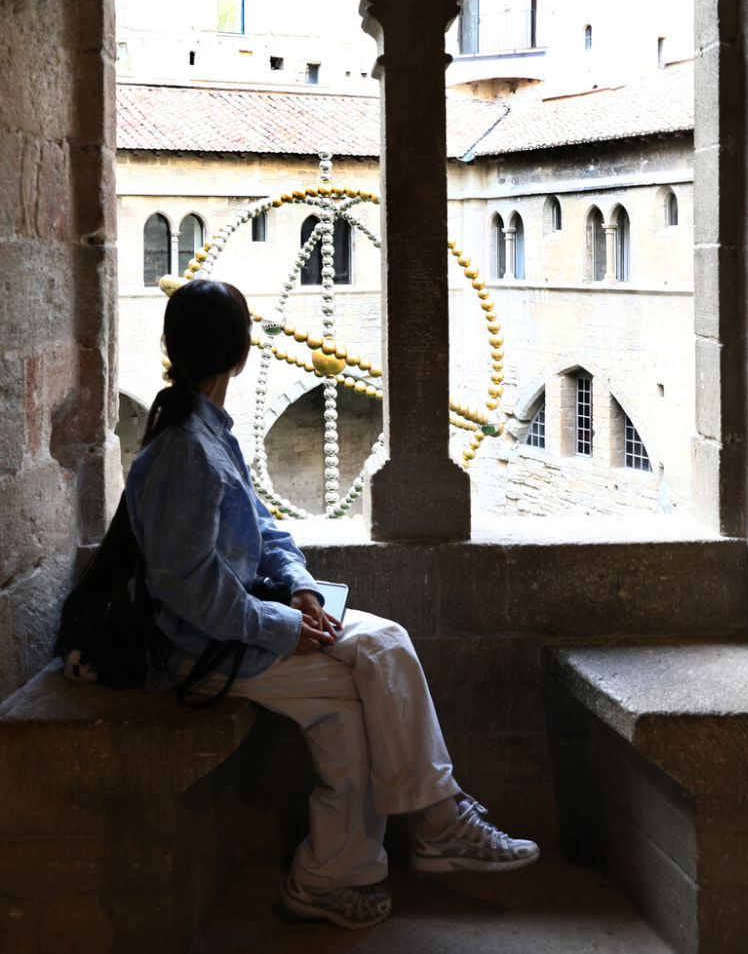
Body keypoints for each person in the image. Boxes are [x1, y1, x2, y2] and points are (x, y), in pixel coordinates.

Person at [125, 278, 539, 930]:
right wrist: (285, 626)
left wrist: (300, 586)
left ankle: (366, 855)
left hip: (247, 621)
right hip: (202, 648)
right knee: (360, 686)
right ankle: (419, 828)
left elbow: (265, 530)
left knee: (380, 649)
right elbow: (188, 592)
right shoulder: (185, 451)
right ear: (241, 353)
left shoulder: (206, 435)